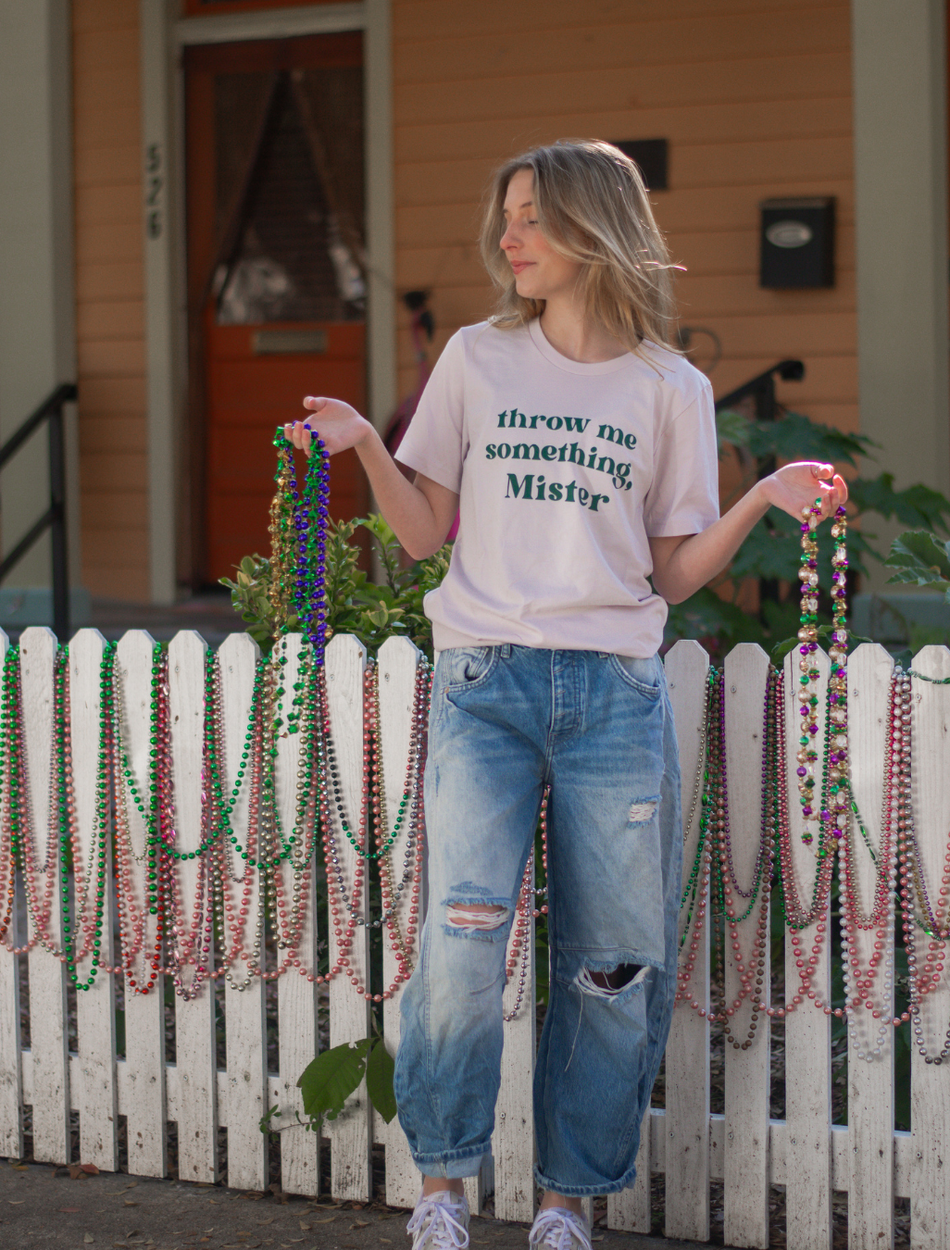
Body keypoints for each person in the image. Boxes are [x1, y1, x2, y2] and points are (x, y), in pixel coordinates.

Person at [284, 139, 847, 1250]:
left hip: (614, 691)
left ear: (592, 226)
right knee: (460, 935)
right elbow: (422, 534)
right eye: (507, 216)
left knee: (609, 961)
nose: (508, 237)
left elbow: (674, 571)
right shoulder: (478, 358)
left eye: (530, 216)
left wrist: (761, 498)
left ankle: (563, 1201)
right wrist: (361, 443)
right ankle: (441, 1189)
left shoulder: (668, 387)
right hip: (484, 679)